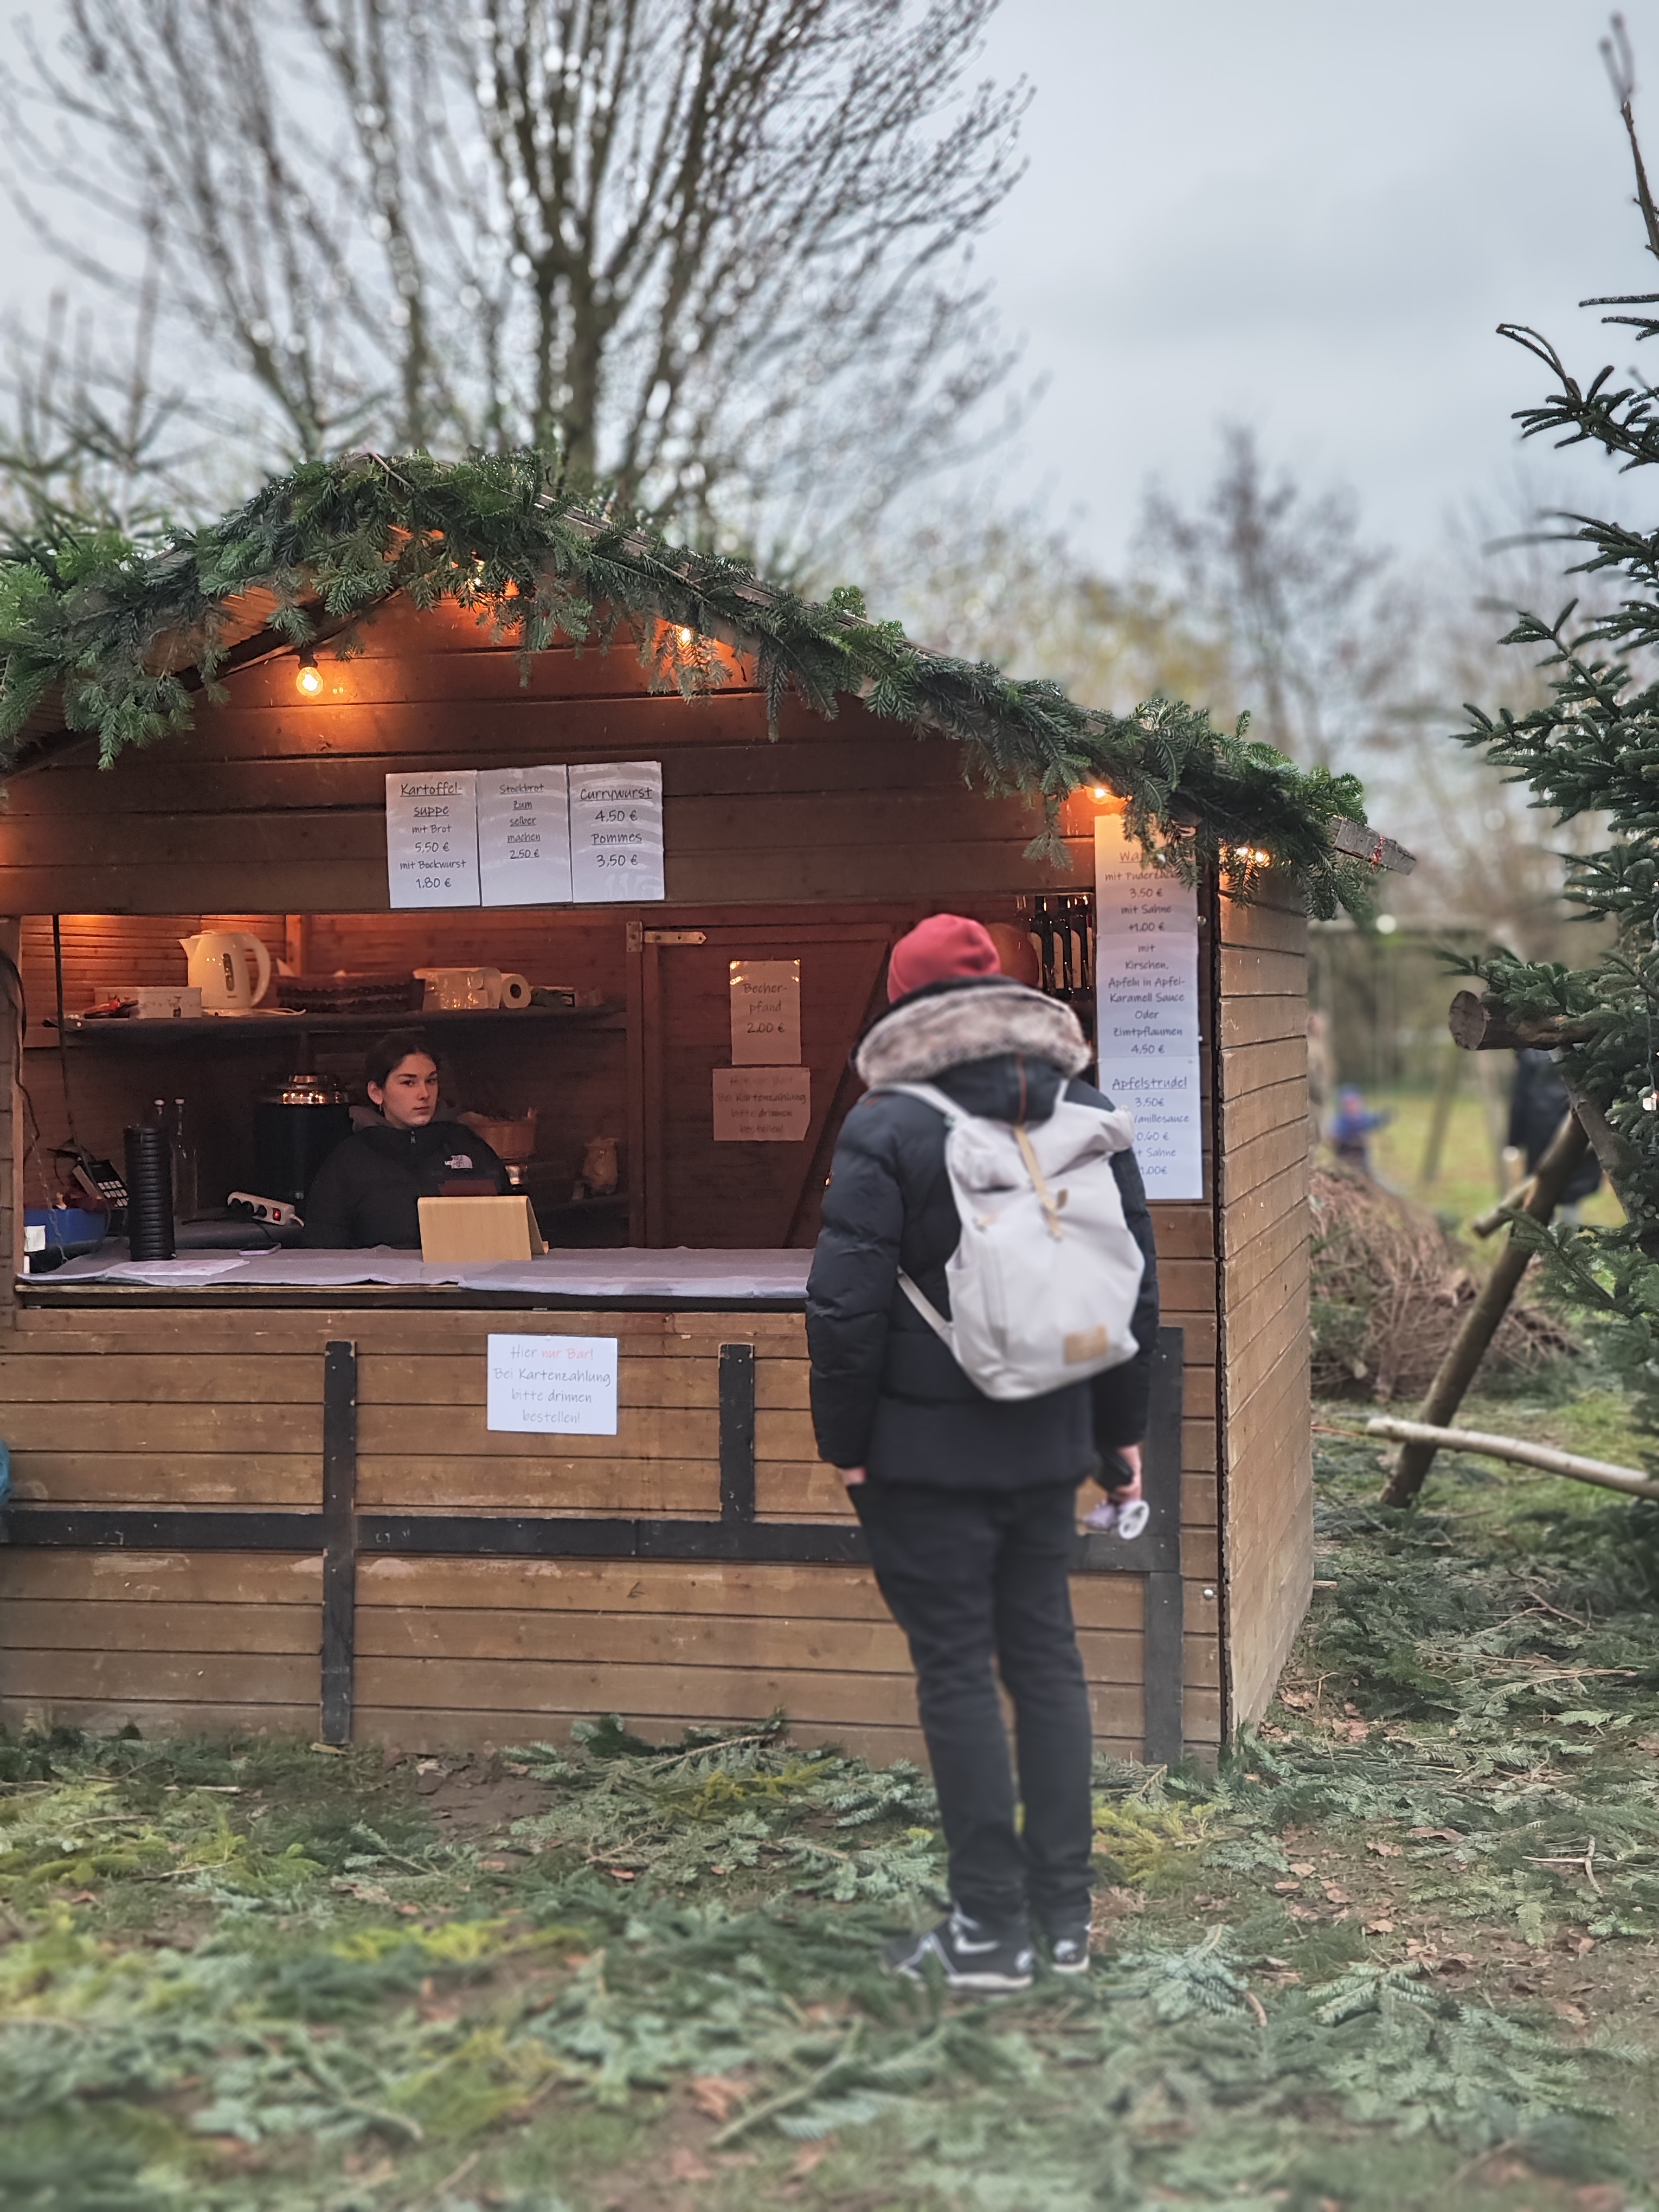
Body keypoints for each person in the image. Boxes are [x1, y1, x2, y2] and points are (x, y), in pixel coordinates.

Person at [806, 914, 1159, 1994]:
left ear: (902, 1003)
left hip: (922, 1454)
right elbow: (1132, 1281)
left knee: (957, 1675)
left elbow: (846, 1308)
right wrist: (1119, 1436)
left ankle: (990, 1933)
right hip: (1048, 1440)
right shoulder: (1087, 1111)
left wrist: (847, 1447)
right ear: (1000, 995)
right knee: (1048, 1667)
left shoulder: (889, 1123)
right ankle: (1064, 1919)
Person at [300, 1032, 509, 1248]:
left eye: (431, 1081)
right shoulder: (348, 1162)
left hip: (467, 1278)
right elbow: (322, 1253)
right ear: (376, 1092)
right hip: (376, 1279)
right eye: (409, 1083)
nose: (424, 1093)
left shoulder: (470, 1147)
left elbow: (513, 1230)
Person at [1509, 1048, 1602, 1219]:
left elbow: (1520, 1100)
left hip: (1539, 1129)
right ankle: (1567, 1241)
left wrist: (1514, 1141)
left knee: (1540, 1192)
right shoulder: (1582, 1047)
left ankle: (1545, 1240)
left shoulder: (1530, 1054)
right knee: (1571, 1194)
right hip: (1578, 1126)